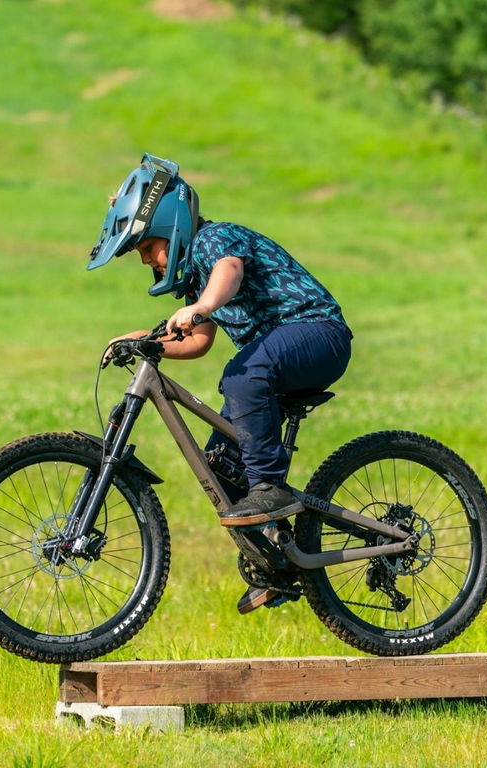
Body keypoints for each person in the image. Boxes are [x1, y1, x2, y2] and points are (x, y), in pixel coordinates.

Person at [88, 153, 352, 612]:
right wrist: (142, 340)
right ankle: (278, 559)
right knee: (221, 464)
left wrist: (202, 306)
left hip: (318, 334)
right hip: (271, 359)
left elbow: (228, 275)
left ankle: (270, 486)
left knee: (242, 375)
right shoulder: (196, 278)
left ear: (170, 226)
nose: (148, 261)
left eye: (148, 248)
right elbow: (197, 343)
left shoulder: (215, 239)